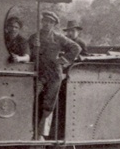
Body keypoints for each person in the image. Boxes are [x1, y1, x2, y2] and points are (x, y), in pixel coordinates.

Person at [29, 10, 82, 139]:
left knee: (48, 104)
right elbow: (28, 53)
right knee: (30, 99)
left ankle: (41, 134)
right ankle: (29, 130)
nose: (47, 24)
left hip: (54, 74)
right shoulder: (34, 37)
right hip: (39, 73)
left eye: (50, 22)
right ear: (41, 22)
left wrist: (63, 61)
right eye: (45, 21)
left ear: (54, 25)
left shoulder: (59, 38)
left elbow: (76, 48)